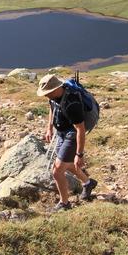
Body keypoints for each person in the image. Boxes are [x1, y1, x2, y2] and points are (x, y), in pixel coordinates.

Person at [37, 74, 98, 211]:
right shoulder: (54, 97)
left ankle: (64, 203)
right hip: (62, 132)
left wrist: (79, 154)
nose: (47, 96)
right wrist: (49, 128)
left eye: (48, 93)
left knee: (57, 171)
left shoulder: (72, 103)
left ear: (56, 88)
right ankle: (88, 183)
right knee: (66, 164)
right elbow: (52, 108)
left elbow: (80, 130)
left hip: (72, 134)